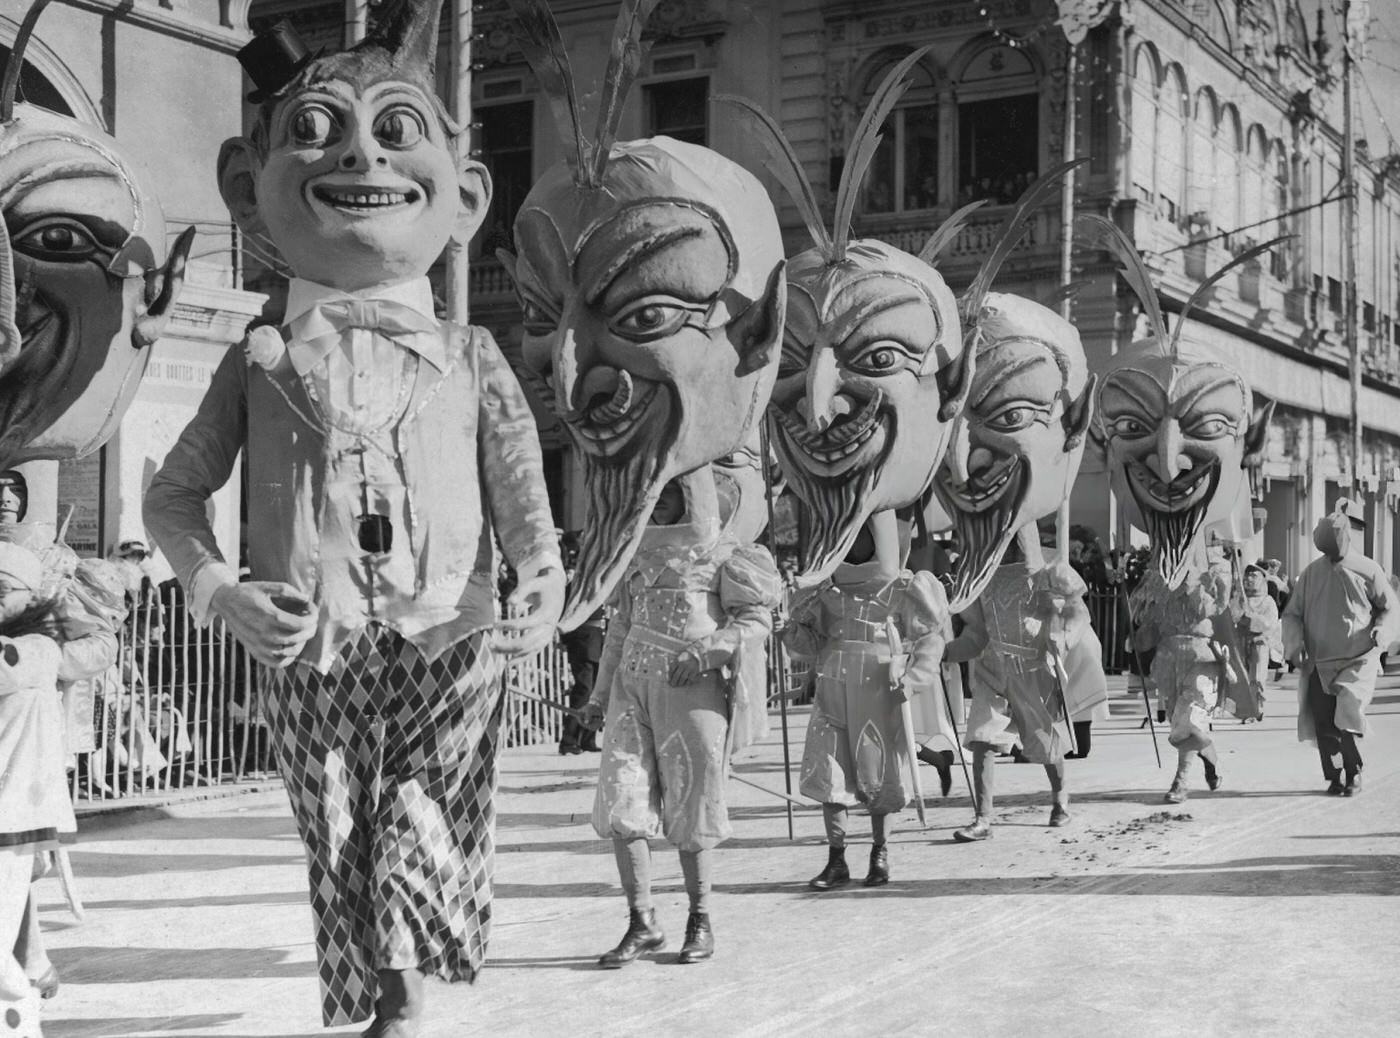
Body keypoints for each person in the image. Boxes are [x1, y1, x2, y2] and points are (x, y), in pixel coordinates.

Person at [142, 8, 564, 1033]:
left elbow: (521, 492)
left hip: (449, 634)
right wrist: (220, 592)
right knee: (336, 829)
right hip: (309, 640)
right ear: (251, 186)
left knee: (416, 819)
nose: (360, 154)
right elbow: (172, 496)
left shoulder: (472, 356)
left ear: (463, 197)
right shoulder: (257, 358)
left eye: (395, 130)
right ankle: (385, 999)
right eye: (319, 129)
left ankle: (404, 1001)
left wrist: (541, 581)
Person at [581, 473, 779, 968]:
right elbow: (620, 630)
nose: (657, 506)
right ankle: (642, 920)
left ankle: (700, 917)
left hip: (692, 693)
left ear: (693, 501)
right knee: (623, 804)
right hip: (632, 692)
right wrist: (598, 696)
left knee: (693, 806)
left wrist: (711, 650)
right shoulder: (635, 557)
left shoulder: (725, 555)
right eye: (654, 497)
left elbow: (757, 620)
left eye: (669, 496)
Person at [783, 512, 955, 888]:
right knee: (831, 774)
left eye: (862, 533)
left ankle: (880, 853)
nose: (854, 541)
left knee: (880, 777)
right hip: (831, 691)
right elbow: (809, 645)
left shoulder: (903, 588)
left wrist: (912, 679)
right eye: (848, 533)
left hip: (880, 693)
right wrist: (789, 628)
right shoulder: (825, 589)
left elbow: (930, 640)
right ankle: (836, 859)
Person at [1282, 500, 1400, 797]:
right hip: (1320, 663)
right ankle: (1336, 775)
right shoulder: (1310, 573)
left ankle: (1355, 771)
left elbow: (1389, 608)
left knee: (1347, 716)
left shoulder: (1368, 569)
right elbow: (1292, 613)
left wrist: (1381, 632)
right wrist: (1295, 645)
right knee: (1325, 728)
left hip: (1358, 659)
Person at [1239, 562, 1282, 715]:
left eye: (1254, 576)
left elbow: (1269, 623)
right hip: (1240, 643)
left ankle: (1257, 707)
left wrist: (1250, 619)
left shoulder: (1268, 601)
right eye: (1247, 575)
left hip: (1259, 643)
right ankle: (1246, 708)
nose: (1250, 579)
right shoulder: (1240, 600)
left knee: (1257, 678)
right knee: (1242, 677)